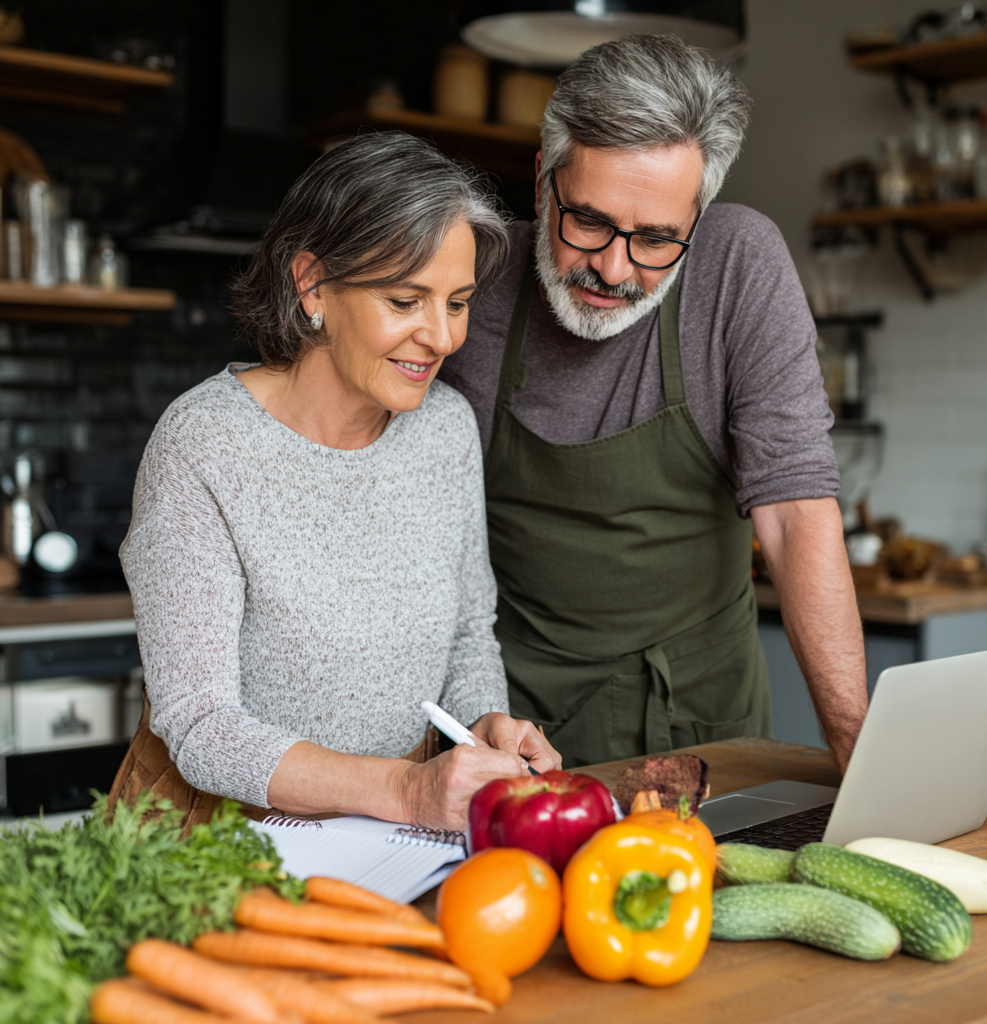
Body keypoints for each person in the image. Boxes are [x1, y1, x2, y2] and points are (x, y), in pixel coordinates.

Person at [438, 35, 870, 772]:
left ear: (698, 218)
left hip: (708, 719)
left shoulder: (740, 266)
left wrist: (860, 738)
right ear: (543, 179)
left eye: (658, 239)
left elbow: (796, 517)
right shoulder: (470, 287)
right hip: (520, 722)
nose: (613, 269)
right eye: (590, 222)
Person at [113, 132, 560, 831]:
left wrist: (485, 725)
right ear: (313, 284)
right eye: (406, 301)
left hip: (384, 836)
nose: (442, 338)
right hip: (215, 832)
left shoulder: (444, 429)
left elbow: (470, 633)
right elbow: (199, 724)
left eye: (458, 302)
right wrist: (407, 792)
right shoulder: (203, 443)